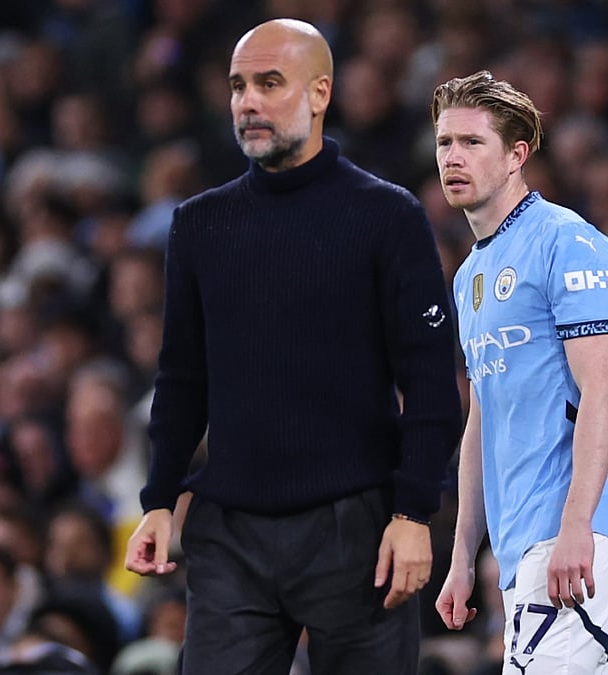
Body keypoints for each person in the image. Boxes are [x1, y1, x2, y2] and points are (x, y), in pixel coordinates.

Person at [123, 18, 462, 675]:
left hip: (359, 531)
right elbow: (182, 377)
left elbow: (427, 380)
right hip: (231, 532)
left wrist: (414, 510)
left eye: (269, 83)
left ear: (319, 93)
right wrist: (159, 500)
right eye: (238, 86)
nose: (247, 101)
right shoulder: (199, 224)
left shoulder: (388, 217)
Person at [431, 70, 608, 673]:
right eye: (445, 142)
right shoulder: (468, 275)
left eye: (472, 142)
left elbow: (603, 390)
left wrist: (577, 525)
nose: (453, 156)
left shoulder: (567, 243)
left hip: (578, 528)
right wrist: (462, 557)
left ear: (515, 155)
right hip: (522, 538)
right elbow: (482, 418)